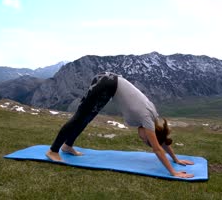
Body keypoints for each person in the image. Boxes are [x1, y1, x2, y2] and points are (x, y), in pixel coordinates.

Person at [46, 72, 194, 178]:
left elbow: (161, 139)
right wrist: (173, 172)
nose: (142, 138)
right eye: (145, 139)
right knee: (79, 117)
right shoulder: (147, 119)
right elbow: (157, 148)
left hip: (109, 86)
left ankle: (67, 146)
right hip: (106, 82)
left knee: (88, 117)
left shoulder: (154, 121)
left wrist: (176, 159)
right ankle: (53, 151)